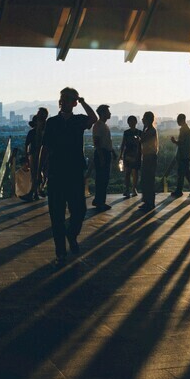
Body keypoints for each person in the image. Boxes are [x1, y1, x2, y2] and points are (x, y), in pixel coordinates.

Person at [40, 88, 97, 263]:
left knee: (79, 210)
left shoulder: (78, 120)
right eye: (62, 98)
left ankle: (71, 234)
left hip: (74, 172)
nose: (63, 101)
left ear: (73, 102)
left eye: (67, 99)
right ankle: (60, 251)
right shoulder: (52, 122)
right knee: (56, 214)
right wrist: (41, 169)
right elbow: (45, 147)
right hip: (56, 172)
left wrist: (83, 101)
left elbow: (93, 118)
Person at [171, 114, 190, 198]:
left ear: (182, 120)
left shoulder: (184, 129)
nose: (177, 121)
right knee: (185, 173)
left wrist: (174, 141)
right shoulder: (187, 129)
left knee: (182, 173)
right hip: (186, 154)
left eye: (178, 120)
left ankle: (180, 190)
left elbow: (181, 142)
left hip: (183, 155)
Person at [92, 104, 114, 211]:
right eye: (108, 112)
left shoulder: (104, 125)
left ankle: (98, 200)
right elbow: (97, 142)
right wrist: (101, 157)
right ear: (103, 113)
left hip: (105, 153)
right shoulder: (98, 125)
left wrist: (112, 152)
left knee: (103, 178)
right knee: (102, 179)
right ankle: (100, 202)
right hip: (102, 153)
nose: (110, 113)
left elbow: (106, 141)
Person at [119, 115, 142, 197]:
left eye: (133, 121)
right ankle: (127, 189)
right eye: (130, 121)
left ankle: (134, 188)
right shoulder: (126, 133)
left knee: (135, 172)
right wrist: (121, 155)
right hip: (128, 154)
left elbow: (142, 144)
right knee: (128, 172)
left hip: (136, 154)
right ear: (128, 123)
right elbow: (123, 144)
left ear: (136, 122)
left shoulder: (140, 133)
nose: (132, 123)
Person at [139, 111, 158, 210]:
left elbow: (142, 140)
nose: (142, 120)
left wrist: (143, 128)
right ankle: (148, 201)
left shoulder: (150, 131)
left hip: (149, 157)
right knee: (147, 180)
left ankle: (149, 202)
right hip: (148, 156)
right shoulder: (150, 130)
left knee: (148, 180)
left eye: (144, 118)